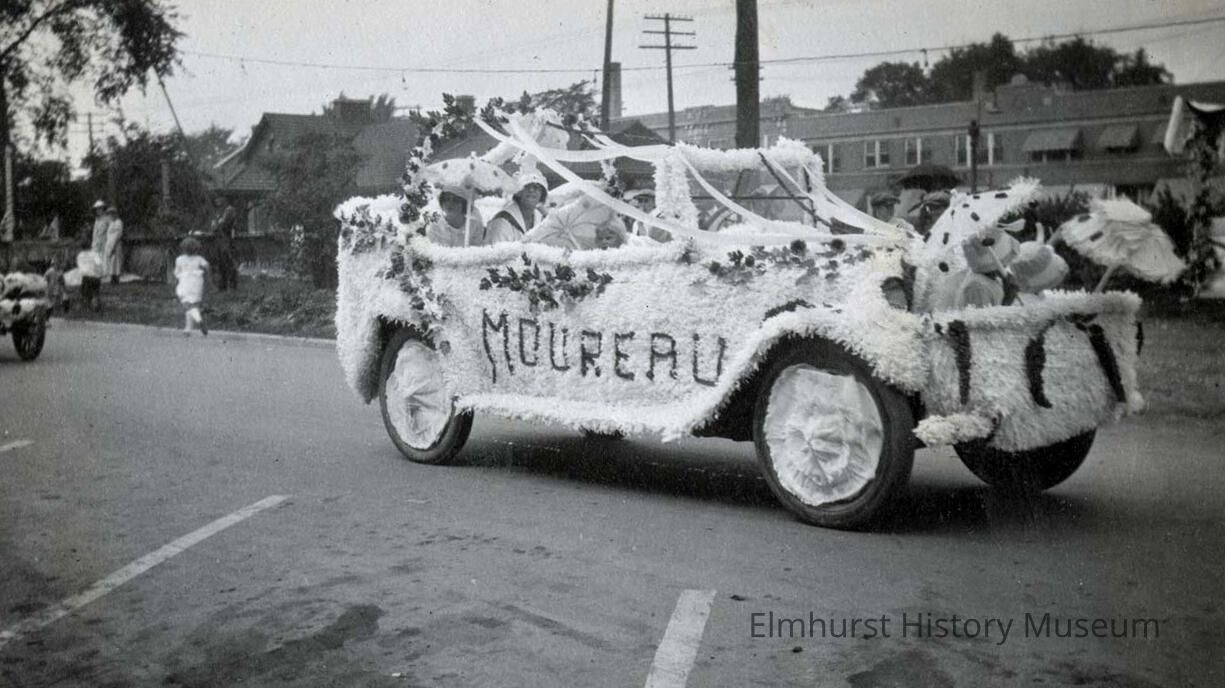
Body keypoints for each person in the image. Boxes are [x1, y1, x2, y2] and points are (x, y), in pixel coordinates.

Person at [522, 197, 627, 250]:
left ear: (619, 238)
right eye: (600, 238)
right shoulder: (591, 253)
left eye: (608, 238)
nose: (604, 242)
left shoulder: (625, 252)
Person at [486, 171, 547, 244]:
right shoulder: (502, 221)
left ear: (542, 194)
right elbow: (496, 249)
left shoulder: (542, 220)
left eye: (536, 187)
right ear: (517, 192)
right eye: (526, 186)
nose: (531, 190)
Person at [174, 237, 210, 335]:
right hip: (197, 282)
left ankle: (198, 320)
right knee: (193, 305)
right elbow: (207, 266)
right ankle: (188, 329)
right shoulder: (199, 258)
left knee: (187, 305)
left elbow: (176, 272)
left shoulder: (179, 259)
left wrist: (179, 276)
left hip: (185, 282)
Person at [211, 197, 240, 291]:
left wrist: (216, 224)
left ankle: (232, 285)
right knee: (221, 263)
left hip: (227, 239)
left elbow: (223, 225)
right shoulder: (220, 211)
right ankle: (222, 286)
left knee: (228, 261)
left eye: (219, 199)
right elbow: (214, 226)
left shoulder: (229, 210)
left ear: (224, 199)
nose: (217, 201)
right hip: (220, 239)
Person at [76, 241, 104, 312]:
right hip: (94, 276)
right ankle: (95, 305)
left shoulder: (79, 255)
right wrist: (100, 274)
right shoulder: (94, 254)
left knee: (85, 292)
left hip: (85, 277)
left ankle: (87, 305)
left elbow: (80, 267)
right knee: (95, 292)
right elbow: (99, 264)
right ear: (90, 246)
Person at [102, 205, 124, 285]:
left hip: (116, 243)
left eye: (112, 214)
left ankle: (116, 278)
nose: (110, 216)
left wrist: (114, 245)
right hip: (109, 243)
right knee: (110, 261)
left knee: (115, 261)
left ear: (115, 214)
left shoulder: (119, 222)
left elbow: (118, 234)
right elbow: (108, 234)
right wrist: (108, 244)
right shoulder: (111, 223)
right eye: (109, 214)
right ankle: (111, 277)